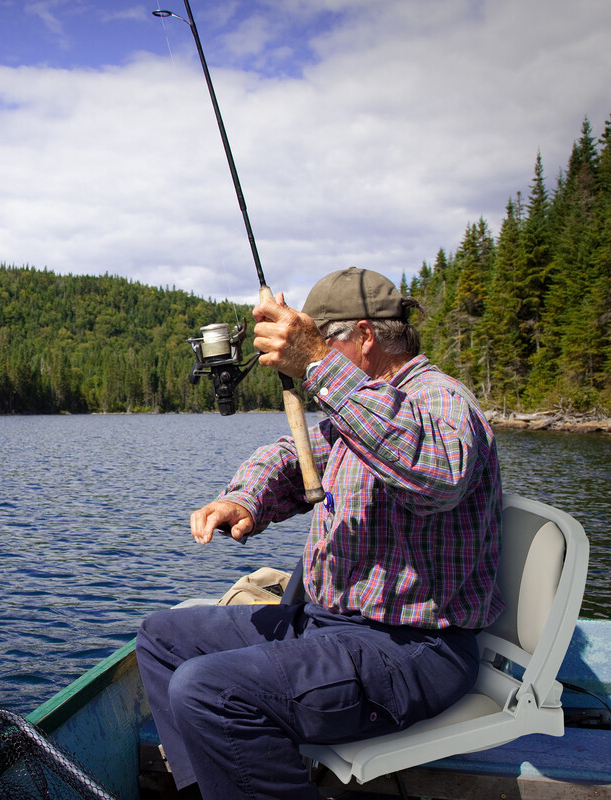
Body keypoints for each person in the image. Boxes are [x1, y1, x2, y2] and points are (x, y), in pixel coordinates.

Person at [136, 267, 503, 800]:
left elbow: (437, 476)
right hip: (325, 626)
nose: (313, 356)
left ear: (366, 335)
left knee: (209, 689)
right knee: (162, 636)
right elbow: (294, 458)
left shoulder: (439, 399)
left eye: (324, 340)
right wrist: (244, 498)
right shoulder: (363, 407)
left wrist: (314, 363)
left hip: (413, 648)